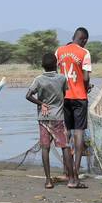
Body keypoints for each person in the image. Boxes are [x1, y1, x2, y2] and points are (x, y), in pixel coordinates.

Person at [24, 52, 71, 189]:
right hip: (58, 118)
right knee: (65, 147)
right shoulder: (62, 78)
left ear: (43, 66)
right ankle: (71, 178)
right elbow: (65, 94)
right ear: (56, 65)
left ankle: (48, 181)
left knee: (45, 148)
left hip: (43, 119)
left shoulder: (38, 79)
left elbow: (28, 95)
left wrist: (41, 103)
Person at [56, 27, 93, 188]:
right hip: (79, 97)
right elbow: (85, 77)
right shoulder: (84, 53)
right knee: (79, 134)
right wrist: (86, 87)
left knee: (66, 133)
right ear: (84, 39)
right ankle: (75, 172)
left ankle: (67, 172)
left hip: (64, 97)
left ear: (73, 36)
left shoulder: (59, 51)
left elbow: (57, 72)